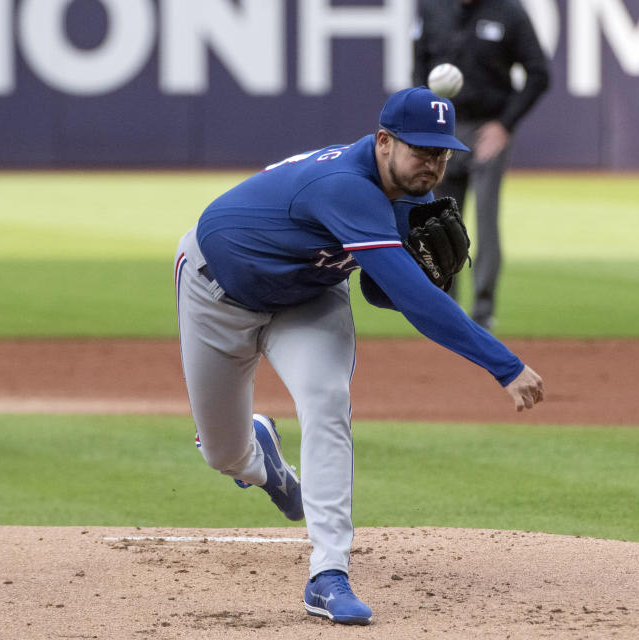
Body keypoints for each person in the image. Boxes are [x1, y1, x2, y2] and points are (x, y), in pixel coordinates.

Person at [173, 86, 545, 626]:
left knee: (327, 401)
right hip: (216, 293)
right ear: (384, 142)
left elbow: (375, 290)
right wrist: (504, 364)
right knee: (223, 456)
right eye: (421, 151)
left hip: (307, 298)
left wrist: (409, 270)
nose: (433, 165)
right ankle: (260, 459)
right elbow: (416, 301)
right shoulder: (345, 186)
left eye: (441, 154)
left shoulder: (412, 197)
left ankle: (329, 575)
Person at [414, 0, 550, 330]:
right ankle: (443, 311)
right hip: (443, 130)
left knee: (485, 220)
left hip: (487, 129)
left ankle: (483, 312)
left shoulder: (509, 11)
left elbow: (539, 73)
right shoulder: (433, 9)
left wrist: (505, 124)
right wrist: (425, 121)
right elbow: (419, 66)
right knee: (440, 223)